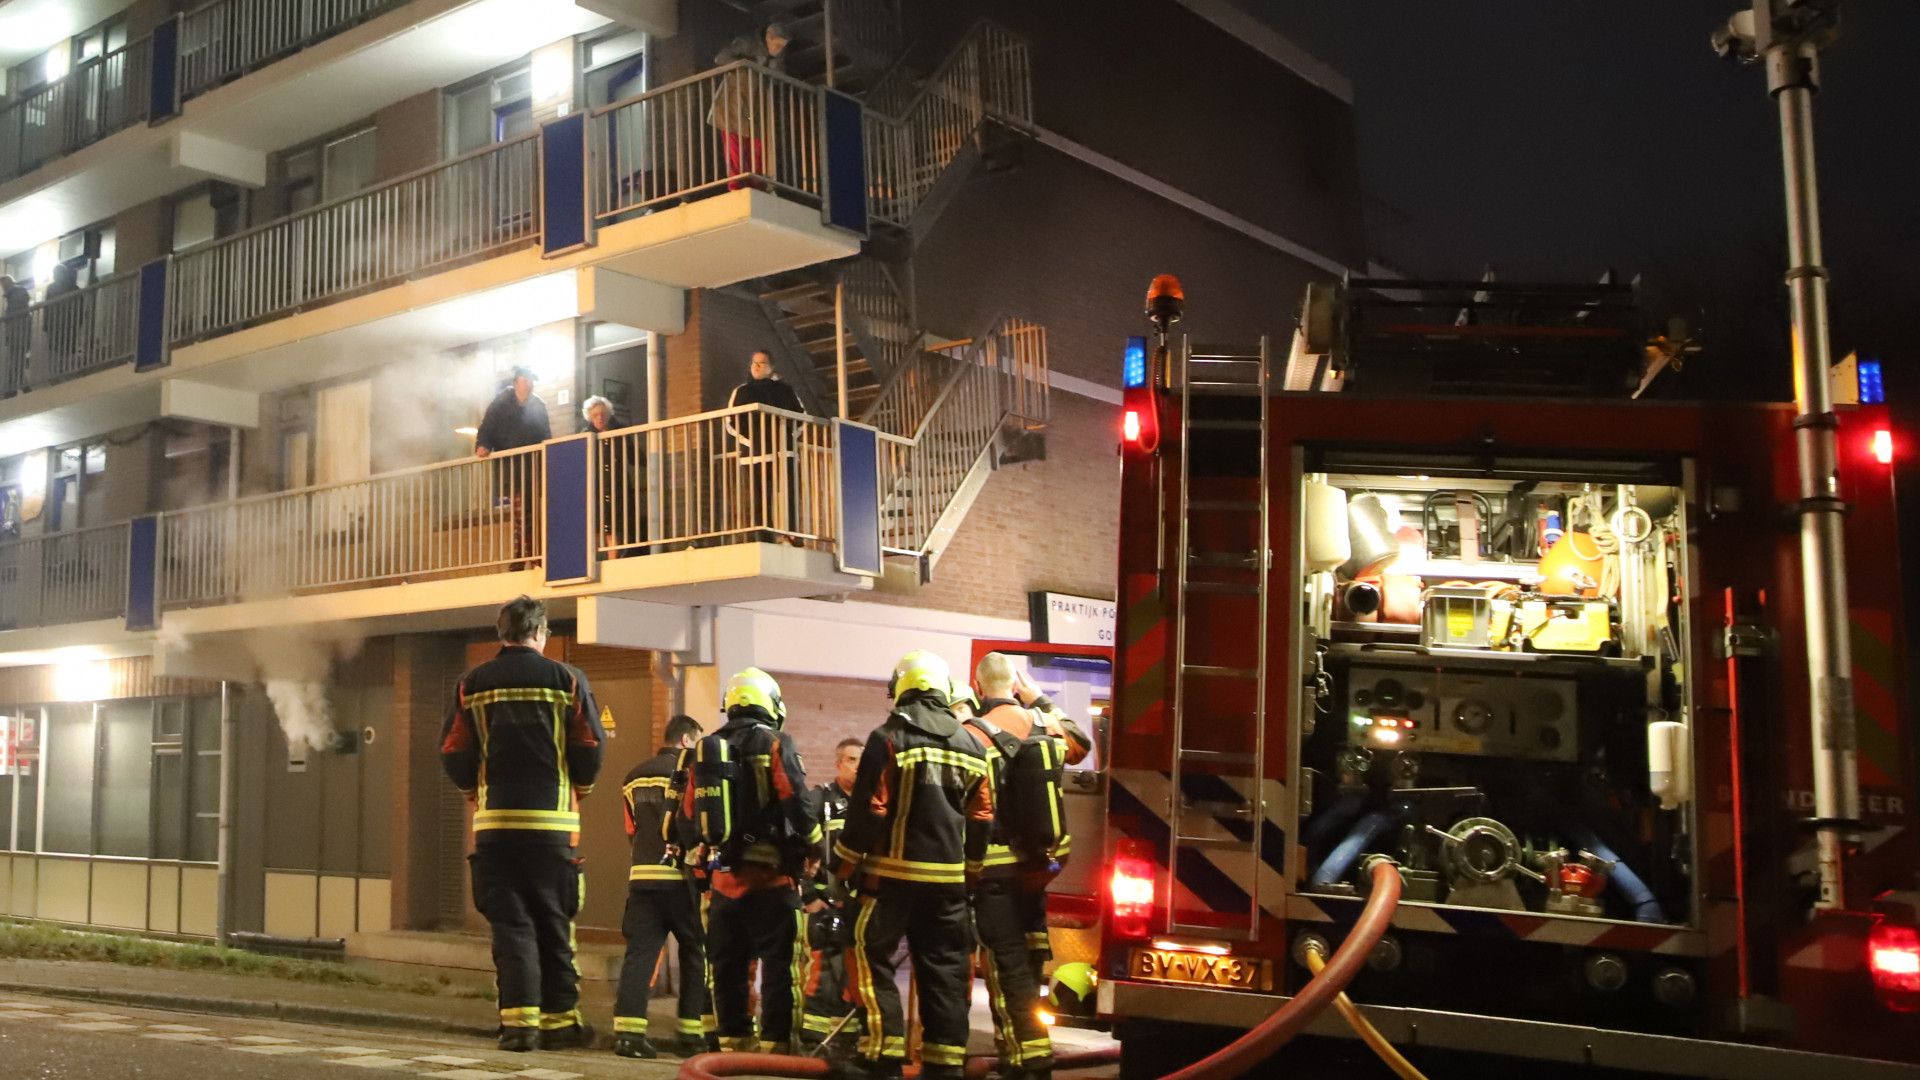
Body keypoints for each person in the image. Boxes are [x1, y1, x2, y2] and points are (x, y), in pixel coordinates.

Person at [440, 597, 607, 1051]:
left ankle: (518, 1027)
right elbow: (590, 747)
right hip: (552, 828)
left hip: (494, 828)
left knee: (511, 928)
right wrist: (579, 793)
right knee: (554, 924)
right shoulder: (568, 680)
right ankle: (559, 1024)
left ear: (502, 633)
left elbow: (454, 751)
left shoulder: (470, 684)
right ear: (541, 633)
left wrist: (475, 794)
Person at [832, 651, 993, 1080]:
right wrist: (971, 872)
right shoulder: (972, 745)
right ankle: (944, 1064)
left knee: (868, 951)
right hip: (948, 885)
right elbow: (982, 817)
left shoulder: (889, 738)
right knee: (944, 968)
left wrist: (844, 867)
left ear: (900, 688)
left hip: (892, 878)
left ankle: (882, 1055)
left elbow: (871, 809)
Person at [960, 654, 1095, 1080]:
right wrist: (1040, 697)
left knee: (1005, 964)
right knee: (1033, 954)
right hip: (1040, 868)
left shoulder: (974, 734)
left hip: (996, 872)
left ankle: (1026, 1058)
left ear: (979, 688)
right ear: (1016, 686)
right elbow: (1081, 744)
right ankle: (1031, 1048)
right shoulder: (1046, 724)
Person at [682, 667, 819, 1053]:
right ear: (770, 704)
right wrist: (815, 847)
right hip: (772, 881)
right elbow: (794, 798)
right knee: (779, 968)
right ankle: (777, 1046)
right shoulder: (775, 743)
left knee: (728, 968)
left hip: (724, 883)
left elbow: (689, 814)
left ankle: (733, 1044)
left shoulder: (707, 749)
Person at [613, 713, 710, 1060]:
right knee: (695, 952)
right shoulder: (692, 773)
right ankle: (690, 1033)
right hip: (683, 880)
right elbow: (701, 821)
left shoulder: (632, 777)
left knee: (640, 953)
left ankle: (628, 1033)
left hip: (643, 877)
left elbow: (631, 829)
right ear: (686, 740)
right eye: (697, 740)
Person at [799, 737, 865, 1049]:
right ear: (838, 763)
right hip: (824, 902)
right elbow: (802, 849)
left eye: (862, 760)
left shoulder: (872, 803)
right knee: (822, 967)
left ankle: (847, 1032)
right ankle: (814, 1031)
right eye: (851, 759)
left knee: (853, 967)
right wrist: (809, 895)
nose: (858, 766)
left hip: (860, 902)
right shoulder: (819, 799)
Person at [726, 351, 806, 541]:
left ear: (771, 367)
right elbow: (731, 421)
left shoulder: (786, 390)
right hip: (755, 453)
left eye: (761, 363)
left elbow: (801, 417)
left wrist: (787, 437)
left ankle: (792, 533)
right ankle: (763, 534)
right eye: (754, 362)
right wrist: (750, 441)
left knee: (789, 492)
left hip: (784, 451)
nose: (756, 366)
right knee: (758, 494)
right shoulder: (742, 391)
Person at [476, 366, 551, 563]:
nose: (529, 384)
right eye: (526, 380)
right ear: (516, 383)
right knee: (522, 513)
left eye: (531, 381)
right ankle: (526, 556)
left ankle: (527, 555)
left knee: (531, 513)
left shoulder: (538, 406)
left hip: (533, 467)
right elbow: (487, 427)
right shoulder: (500, 404)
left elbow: (545, 435)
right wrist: (483, 445)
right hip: (512, 468)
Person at [710, 24, 792, 189]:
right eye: (777, 45)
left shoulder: (777, 57)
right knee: (735, 144)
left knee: (757, 144)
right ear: (769, 37)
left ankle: (756, 183)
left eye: (782, 47)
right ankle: (736, 184)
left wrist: (774, 69)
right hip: (734, 103)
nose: (778, 50)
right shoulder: (748, 43)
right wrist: (749, 64)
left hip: (753, 107)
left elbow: (778, 78)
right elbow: (721, 58)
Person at [582, 395, 641, 554]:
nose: (600, 418)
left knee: (618, 526)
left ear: (608, 414)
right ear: (590, 417)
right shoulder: (586, 436)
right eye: (595, 415)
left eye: (602, 414)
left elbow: (634, 456)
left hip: (618, 488)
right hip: (598, 490)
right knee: (601, 527)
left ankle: (616, 559)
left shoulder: (619, 431)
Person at [41, 264, 80, 370]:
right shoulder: (73, 288)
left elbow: (47, 306)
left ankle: (61, 372)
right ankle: (59, 372)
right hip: (60, 324)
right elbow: (47, 307)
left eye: (56, 274)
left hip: (64, 324)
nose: (55, 276)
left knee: (62, 350)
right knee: (59, 350)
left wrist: (46, 324)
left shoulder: (56, 288)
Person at [0, 275, 28, 396]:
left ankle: (14, 388)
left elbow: (15, 311)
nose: (3, 288)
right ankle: (20, 387)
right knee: (15, 361)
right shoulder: (13, 295)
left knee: (16, 361)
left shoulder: (17, 293)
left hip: (19, 333)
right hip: (14, 334)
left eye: (4, 285)